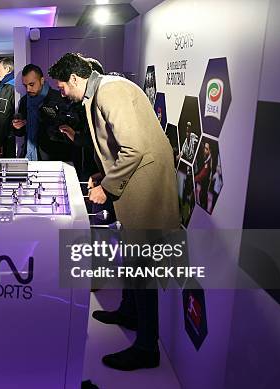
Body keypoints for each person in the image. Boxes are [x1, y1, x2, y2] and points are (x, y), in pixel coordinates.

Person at [49, 53, 179, 371]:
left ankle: (147, 348)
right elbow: (114, 146)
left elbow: (133, 147)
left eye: (63, 86)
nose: (62, 92)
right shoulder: (99, 92)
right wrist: (101, 175)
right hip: (133, 186)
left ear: (76, 80)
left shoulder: (110, 90)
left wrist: (105, 188)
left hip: (145, 190)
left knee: (143, 265)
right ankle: (129, 312)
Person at [11, 64, 74, 161]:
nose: (28, 89)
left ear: (42, 80)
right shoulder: (24, 101)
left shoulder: (58, 98)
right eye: (25, 85)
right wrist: (17, 127)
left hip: (54, 157)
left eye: (31, 84)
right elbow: (20, 133)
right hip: (29, 155)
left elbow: (66, 132)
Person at [0, 58, 16, 158]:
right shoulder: (15, 83)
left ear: (7, 69)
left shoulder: (7, 87)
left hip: (8, 135)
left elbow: (2, 115)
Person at [194, 141, 213, 209]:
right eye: (204, 148)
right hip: (203, 184)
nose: (204, 150)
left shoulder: (209, 161)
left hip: (205, 184)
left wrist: (196, 178)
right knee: (201, 194)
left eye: (206, 149)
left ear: (210, 150)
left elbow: (204, 172)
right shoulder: (206, 158)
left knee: (203, 195)